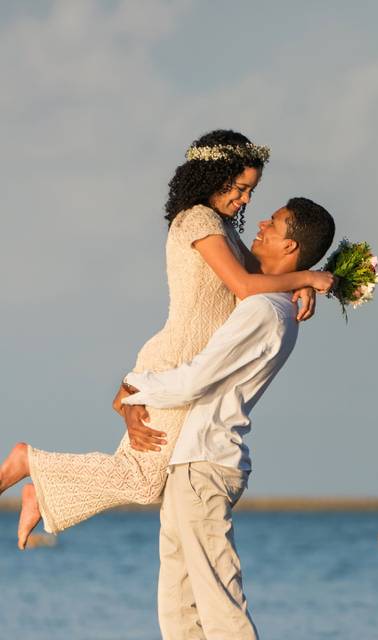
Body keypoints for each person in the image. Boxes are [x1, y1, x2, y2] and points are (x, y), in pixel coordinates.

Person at [0, 130, 333, 544]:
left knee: (141, 478)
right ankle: (28, 462)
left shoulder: (225, 230)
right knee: (141, 480)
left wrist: (296, 285)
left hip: (188, 365)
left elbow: (262, 278)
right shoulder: (199, 221)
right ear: (216, 174)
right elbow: (244, 286)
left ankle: (40, 489)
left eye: (251, 191)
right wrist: (310, 278)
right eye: (241, 188)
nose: (246, 200)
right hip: (175, 359)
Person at [115, 198, 333, 639]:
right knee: (178, 607)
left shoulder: (264, 310)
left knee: (219, 604)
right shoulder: (271, 301)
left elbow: (197, 380)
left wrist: (134, 387)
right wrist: (304, 281)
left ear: (289, 244)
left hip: (205, 464)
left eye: (272, 223)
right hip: (193, 462)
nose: (261, 223)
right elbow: (238, 277)